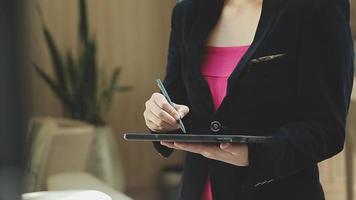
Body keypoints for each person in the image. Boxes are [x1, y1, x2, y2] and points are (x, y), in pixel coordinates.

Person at [143, 0, 355, 199]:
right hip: (197, 191)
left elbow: (327, 127)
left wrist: (256, 156)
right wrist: (161, 117)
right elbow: (177, 101)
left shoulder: (317, 7)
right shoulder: (187, 11)